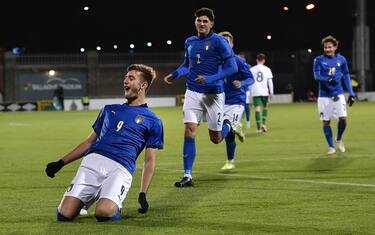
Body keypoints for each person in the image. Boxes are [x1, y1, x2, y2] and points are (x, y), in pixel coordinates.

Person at [45, 64, 164, 221]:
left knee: (104, 213)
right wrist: (60, 163)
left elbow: (150, 161)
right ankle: (92, 197)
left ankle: (110, 200)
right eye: (125, 77)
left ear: (143, 85)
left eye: (131, 78)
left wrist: (142, 193)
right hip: (92, 163)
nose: (125, 81)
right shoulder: (108, 110)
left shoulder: (153, 121)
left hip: (120, 168)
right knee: (64, 214)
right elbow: (89, 142)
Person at [163, 7, 238, 187]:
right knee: (189, 130)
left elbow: (232, 68)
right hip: (193, 92)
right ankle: (187, 175)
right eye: (199, 20)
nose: (201, 23)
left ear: (212, 24)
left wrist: (210, 78)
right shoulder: (189, 41)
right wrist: (175, 74)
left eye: (205, 21)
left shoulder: (220, 41)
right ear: (195, 22)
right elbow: (187, 64)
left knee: (216, 139)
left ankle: (228, 125)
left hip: (214, 94)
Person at [313, 35, 355, 154]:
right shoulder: (318, 60)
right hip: (324, 96)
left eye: (330, 47)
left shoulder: (341, 60)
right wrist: (328, 79)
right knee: (326, 121)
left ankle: (339, 138)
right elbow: (316, 76)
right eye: (326, 47)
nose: (328, 49)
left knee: (343, 119)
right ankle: (331, 146)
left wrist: (351, 93)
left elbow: (346, 75)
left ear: (335, 47)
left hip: (338, 93)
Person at [218, 31, 254, 171]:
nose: (225, 45)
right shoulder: (215, 61)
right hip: (219, 101)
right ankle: (237, 126)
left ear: (232, 44)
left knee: (227, 132)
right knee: (220, 131)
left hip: (236, 101)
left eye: (228, 42)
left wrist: (242, 83)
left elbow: (251, 78)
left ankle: (230, 161)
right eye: (223, 42)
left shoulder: (238, 60)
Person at [250, 53, 274, 133]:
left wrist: (250, 91)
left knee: (257, 109)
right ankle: (263, 124)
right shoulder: (267, 69)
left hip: (255, 91)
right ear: (264, 60)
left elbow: (250, 82)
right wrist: (271, 92)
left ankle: (258, 128)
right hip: (264, 92)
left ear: (256, 60)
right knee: (265, 107)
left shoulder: (252, 69)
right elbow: (270, 82)